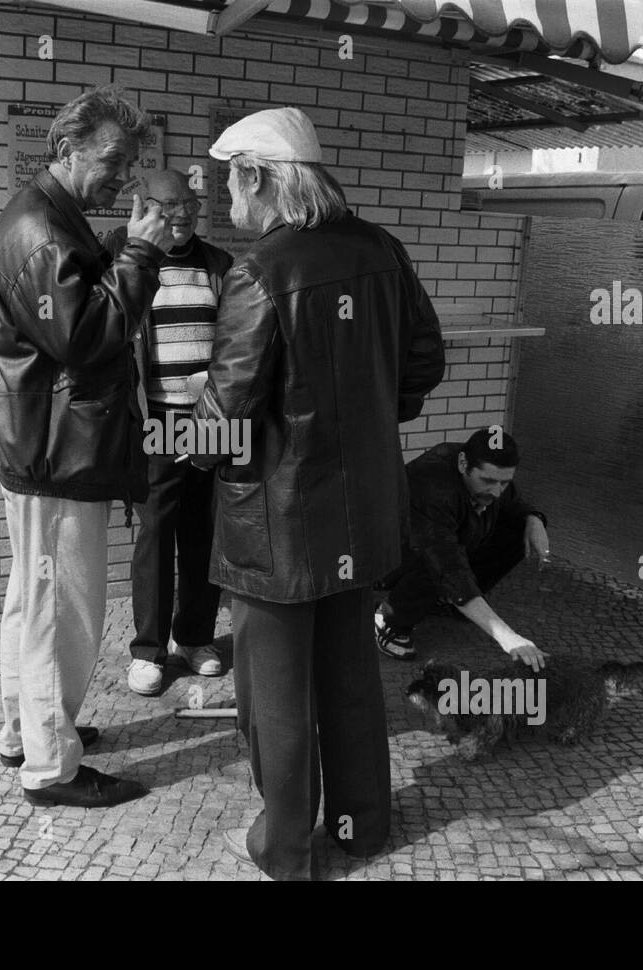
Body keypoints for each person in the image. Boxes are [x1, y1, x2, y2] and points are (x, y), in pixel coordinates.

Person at [190, 107, 445, 879]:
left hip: (276, 526)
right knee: (351, 677)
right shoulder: (381, 249)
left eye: (226, 180)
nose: (220, 198)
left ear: (259, 178)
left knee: (277, 696)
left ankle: (288, 851)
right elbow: (424, 361)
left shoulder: (260, 272)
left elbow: (224, 418)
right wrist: (368, 418)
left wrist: (176, 445)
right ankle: (364, 828)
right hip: (360, 516)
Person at [0, 86, 171, 808]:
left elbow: (73, 307)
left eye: (131, 162)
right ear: (67, 150)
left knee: (33, 602)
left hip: (44, 445)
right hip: (58, 452)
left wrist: (121, 250)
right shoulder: (42, 231)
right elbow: (85, 337)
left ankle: (27, 734)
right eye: (112, 160)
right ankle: (52, 768)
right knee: (63, 609)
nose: (123, 176)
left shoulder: (51, 217)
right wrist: (143, 253)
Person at [125, 169, 234, 697]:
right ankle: (148, 651)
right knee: (154, 532)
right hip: (160, 417)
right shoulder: (132, 262)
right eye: (168, 209)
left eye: (189, 207)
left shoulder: (219, 265)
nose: (181, 217)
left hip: (211, 418)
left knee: (204, 531)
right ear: (145, 208)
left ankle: (194, 638)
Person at [375, 428, 549, 671]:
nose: (497, 492)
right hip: (387, 558)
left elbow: (514, 502)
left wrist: (534, 518)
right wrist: (509, 638)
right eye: (488, 481)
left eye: (505, 482)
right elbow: (447, 565)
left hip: (441, 543)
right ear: (462, 463)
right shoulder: (431, 488)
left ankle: (451, 601)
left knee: (517, 525)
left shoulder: (486, 468)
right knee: (436, 561)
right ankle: (391, 620)